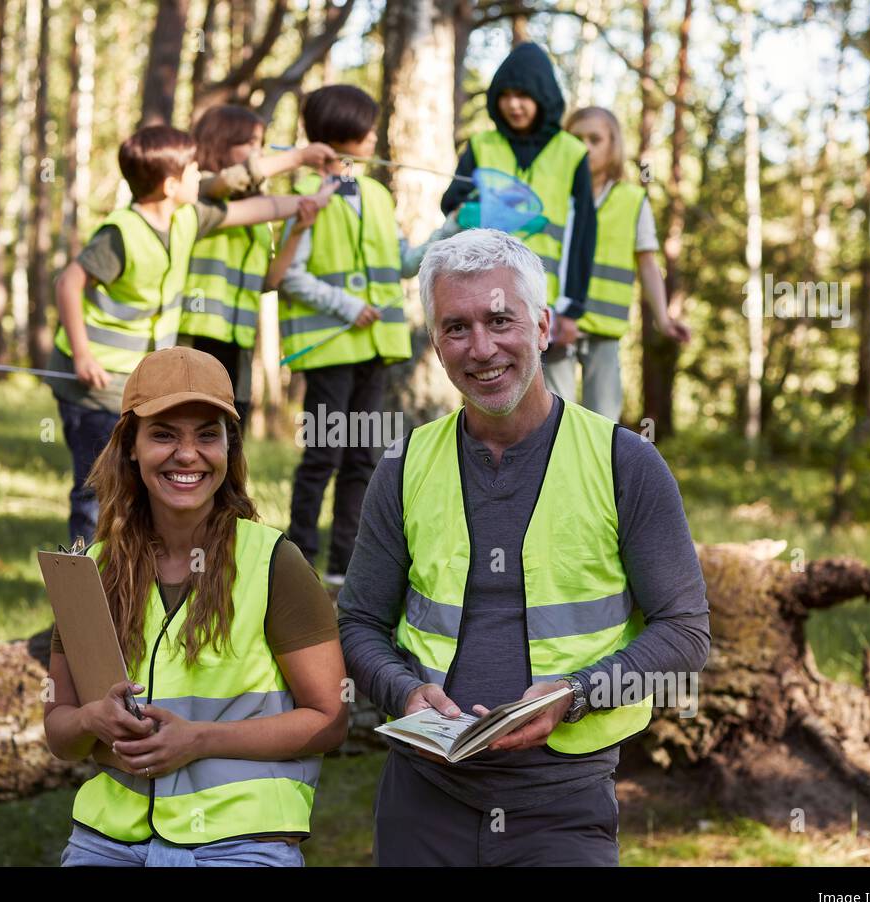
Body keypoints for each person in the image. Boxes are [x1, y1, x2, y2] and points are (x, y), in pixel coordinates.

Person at [337, 229, 710, 866]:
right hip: (422, 796)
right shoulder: (403, 467)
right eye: (456, 328)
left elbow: (685, 632)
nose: (481, 349)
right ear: (435, 345)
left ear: (542, 327)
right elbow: (360, 621)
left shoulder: (627, 463)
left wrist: (576, 693)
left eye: (500, 320)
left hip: (563, 805)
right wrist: (402, 691)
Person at [44, 347, 348, 866]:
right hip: (107, 842)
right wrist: (93, 719)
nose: (188, 454)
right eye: (164, 434)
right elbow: (59, 733)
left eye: (207, 434)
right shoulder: (89, 570)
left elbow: (330, 719)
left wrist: (200, 740)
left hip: (243, 843)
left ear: (229, 448)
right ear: (131, 448)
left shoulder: (274, 562)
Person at [47, 124, 335, 547]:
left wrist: (311, 201)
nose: (201, 175)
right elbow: (68, 283)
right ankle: (81, 590)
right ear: (170, 184)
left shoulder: (188, 218)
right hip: (91, 383)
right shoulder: (121, 232)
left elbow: (260, 208)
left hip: (131, 382)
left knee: (132, 490)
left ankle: (125, 581)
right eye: (194, 169)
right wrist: (83, 357)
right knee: (95, 489)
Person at [278, 84, 451, 587]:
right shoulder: (305, 195)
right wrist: (348, 306)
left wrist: (450, 227)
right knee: (323, 456)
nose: (375, 133)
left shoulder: (376, 194)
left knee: (362, 456)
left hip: (375, 352)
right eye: (366, 126)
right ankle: (301, 561)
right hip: (329, 349)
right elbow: (290, 274)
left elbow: (399, 262)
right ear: (340, 131)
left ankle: (343, 566)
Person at [440, 41, 597, 388]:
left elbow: (583, 235)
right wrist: (470, 209)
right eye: (506, 95)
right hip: (484, 301)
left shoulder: (571, 153)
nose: (513, 104)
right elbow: (452, 204)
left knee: (556, 401)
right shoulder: (482, 146)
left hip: (547, 303)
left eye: (523, 95)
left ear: (542, 97)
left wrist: (571, 310)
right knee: (490, 392)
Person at [181, 106, 337, 431]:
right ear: (220, 143)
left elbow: (270, 279)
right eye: (250, 143)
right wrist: (297, 157)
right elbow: (230, 180)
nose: (258, 152)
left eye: (261, 143)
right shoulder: (200, 189)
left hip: (238, 339)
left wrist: (296, 231)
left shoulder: (259, 219)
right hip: (196, 335)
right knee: (193, 426)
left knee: (230, 433)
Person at [545, 106, 692, 421]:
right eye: (575, 138)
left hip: (604, 333)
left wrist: (664, 319)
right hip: (556, 329)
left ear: (613, 145)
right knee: (553, 427)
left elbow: (648, 264)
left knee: (602, 427)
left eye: (594, 139)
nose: (584, 147)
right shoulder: (553, 196)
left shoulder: (632, 200)